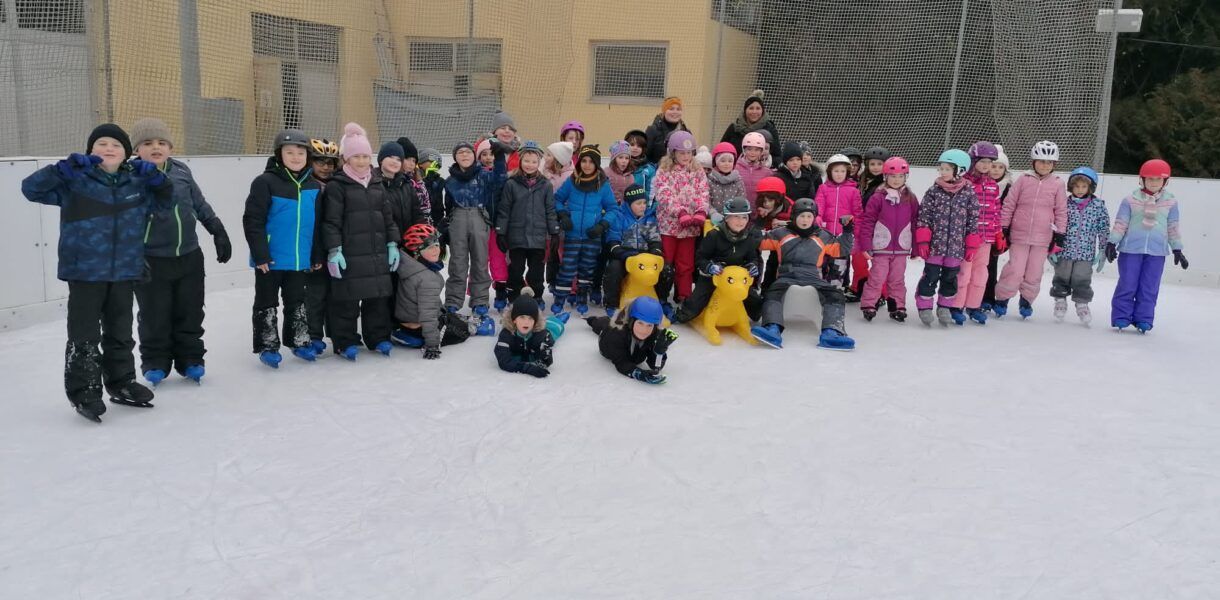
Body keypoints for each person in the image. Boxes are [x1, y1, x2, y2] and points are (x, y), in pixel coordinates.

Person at [21, 123, 172, 421]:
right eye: (101, 144)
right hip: (85, 270)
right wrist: (61, 169)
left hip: (125, 270)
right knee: (84, 335)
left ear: (126, 153)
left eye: (115, 145)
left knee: (120, 332)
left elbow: (166, 204)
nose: (108, 149)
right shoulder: (75, 180)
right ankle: (85, 392)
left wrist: (156, 178)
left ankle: (122, 382)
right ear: (90, 151)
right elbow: (30, 189)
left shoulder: (136, 182)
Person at [129, 117, 231, 387]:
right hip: (151, 260)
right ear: (136, 150)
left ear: (170, 148)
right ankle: (155, 361)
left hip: (189, 256)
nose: (156, 147)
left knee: (190, 310)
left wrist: (217, 230)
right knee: (154, 313)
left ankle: (190, 359)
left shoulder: (181, 171)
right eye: (148, 143)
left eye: (162, 142)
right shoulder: (130, 178)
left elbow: (199, 204)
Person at [241, 129, 324, 369]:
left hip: (299, 258)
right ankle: (268, 345)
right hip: (271, 258)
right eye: (290, 152)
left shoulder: (312, 185)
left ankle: (299, 341)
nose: (296, 157)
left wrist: (316, 254)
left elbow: (316, 224)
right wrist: (260, 254)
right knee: (267, 302)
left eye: (300, 152)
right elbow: (252, 220)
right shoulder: (265, 182)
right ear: (280, 155)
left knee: (297, 301)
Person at [321, 123, 399, 360]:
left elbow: (388, 218)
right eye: (356, 156)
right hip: (350, 253)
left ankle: (378, 337)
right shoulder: (337, 186)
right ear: (346, 158)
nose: (362, 161)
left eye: (365, 156)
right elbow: (331, 221)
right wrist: (334, 250)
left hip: (376, 252)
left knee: (377, 298)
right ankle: (345, 341)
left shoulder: (376, 184)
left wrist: (392, 244)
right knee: (347, 299)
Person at [750, 198, 855, 351]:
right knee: (773, 292)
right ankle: (772, 328)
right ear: (794, 216)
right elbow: (757, 242)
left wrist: (847, 230)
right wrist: (760, 222)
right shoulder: (780, 233)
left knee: (835, 295)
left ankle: (831, 332)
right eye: (801, 216)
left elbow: (842, 249)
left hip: (813, 276)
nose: (805, 220)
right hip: (787, 275)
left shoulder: (822, 236)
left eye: (809, 216)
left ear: (814, 218)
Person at [1106, 159, 1187, 333]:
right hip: (1130, 250)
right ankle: (1121, 316)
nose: (1153, 183)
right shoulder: (1130, 200)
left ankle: (1143, 318)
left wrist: (1177, 249)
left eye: (1158, 179)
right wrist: (1112, 242)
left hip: (1157, 252)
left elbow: (1173, 227)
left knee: (1149, 287)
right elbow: (1121, 223)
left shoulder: (1171, 202)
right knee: (1128, 284)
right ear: (1142, 179)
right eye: (1150, 179)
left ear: (1165, 181)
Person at [994, 141, 1067, 319]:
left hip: (1043, 238)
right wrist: (1004, 227)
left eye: (1049, 162)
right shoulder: (1023, 180)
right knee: (1015, 269)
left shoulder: (1057, 184)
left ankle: (1027, 300)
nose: (1044, 165)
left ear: (1054, 165)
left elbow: (1061, 210)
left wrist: (1060, 234)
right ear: (1033, 162)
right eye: (1041, 161)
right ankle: (1002, 298)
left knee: (1034, 271)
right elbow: (1009, 204)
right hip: (1019, 234)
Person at [443, 138, 508, 333]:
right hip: (458, 219)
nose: (465, 155)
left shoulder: (484, 175)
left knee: (480, 260)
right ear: (455, 157)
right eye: (460, 152)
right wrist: (446, 228)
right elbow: (447, 206)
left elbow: (501, 178)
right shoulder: (450, 181)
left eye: (468, 152)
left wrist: (499, 157)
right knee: (458, 262)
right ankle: (453, 300)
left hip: (479, 217)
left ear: (474, 156)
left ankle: (479, 300)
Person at [913, 149, 980, 327]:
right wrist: (923, 238)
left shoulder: (969, 193)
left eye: (947, 169)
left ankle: (944, 306)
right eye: (941, 168)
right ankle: (925, 306)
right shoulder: (934, 191)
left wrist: (972, 242)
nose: (942, 172)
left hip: (956, 247)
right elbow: (924, 216)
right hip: (935, 246)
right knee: (931, 275)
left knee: (950, 278)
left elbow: (973, 219)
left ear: (960, 170)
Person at [673, 198, 764, 324]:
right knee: (696, 301)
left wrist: (752, 266)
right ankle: (681, 315)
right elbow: (700, 257)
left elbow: (752, 257)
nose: (741, 221)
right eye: (736, 217)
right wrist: (710, 267)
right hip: (714, 276)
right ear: (726, 218)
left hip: (736, 279)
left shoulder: (748, 237)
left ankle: (761, 318)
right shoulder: (714, 235)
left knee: (753, 298)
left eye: (744, 217)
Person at [553, 144, 617, 313]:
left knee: (587, 268)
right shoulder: (572, 181)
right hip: (572, 234)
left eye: (591, 162)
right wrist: (564, 215)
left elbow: (612, 208)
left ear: (597, 164)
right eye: (584, 161)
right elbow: (557, 199)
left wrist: (601, 226)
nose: (587, 165)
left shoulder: (603, 185)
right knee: (567, 267)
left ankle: (582, 296)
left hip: (592, 236)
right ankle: (560, 298)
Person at [496, 141, 560, 305]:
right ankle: (514, 296)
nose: (530, 165)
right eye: (526, 161)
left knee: (536, 271)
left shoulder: (545, 185)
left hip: (538, 238)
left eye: (534, 162)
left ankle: (536, 296)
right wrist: (501, 232)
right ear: (520, 160)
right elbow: (504, 209)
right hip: (516, 236)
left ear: (539, 163)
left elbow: (550, 210)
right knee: (516, 269)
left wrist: (554, 232)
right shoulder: (511, 183)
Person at [855, 156, 918, 323]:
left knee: (897, 278)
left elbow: (915, 222)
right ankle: (869, 304)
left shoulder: (910, 198)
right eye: (892, 176)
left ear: (906, 177)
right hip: (881, 246)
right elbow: (868, 221)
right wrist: (866, 244)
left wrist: (916, 247)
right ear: (885, 177)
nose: (896, 180)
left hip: (901, 247)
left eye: (900, 176)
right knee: (877, 277)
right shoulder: (878, 197)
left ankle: (897, 306)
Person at [652, 131, 711, 310]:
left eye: (689, 152)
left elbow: (704, 191)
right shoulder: (664, 170)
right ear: (673, 153)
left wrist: (701, 210)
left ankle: (684, 295)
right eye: (681, 153)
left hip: (690, 227)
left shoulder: (698, 170)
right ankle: (660, 294)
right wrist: (680, 212)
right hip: (669, 226)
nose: (686, 156)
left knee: (686, 264)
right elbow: (664, 194)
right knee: (666, 261)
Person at [1049, 167, 1110, 324]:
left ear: (1091, 187)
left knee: (1082, 278)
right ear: (1071, 187)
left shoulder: (1098, 206)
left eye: (1084, 186)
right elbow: (1055, 225)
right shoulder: (1064, 204)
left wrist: (1103, 248)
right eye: (1076, 186)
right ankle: (1060, 301)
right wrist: (1052, 246)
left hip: (1086, 253)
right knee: (1062, 276)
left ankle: (1082, 304)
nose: (1080, 190)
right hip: (1065, 251)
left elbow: (1103, 228)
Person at [952, 141, 1004, 325]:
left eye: (990, 162)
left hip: (986, 238)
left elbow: (997, 211)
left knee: (981, 273)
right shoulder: (964, 184)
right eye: (982, 161)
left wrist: (998, 233)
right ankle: (956, 305)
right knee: (964, 272)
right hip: (967, 238)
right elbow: (957, 210)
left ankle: (974, 306)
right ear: (973, 161)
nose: (986, 165)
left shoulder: (993, 185)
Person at [602, 184, 666, 317]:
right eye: (638, 203)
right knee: (614, 269)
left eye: (644, 202)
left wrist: (656, 253)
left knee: (665, 269)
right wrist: (624, 254)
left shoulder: (649, 217)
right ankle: (611, 303)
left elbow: (655, 240)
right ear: (629, 204)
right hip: (624, 255)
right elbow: (612, 241)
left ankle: (662, 301)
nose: (643, 206)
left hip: (645, 256)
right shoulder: (619, 216)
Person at [587, 296, 678, 384]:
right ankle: (592, 320)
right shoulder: (616, 334)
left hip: (630, 346)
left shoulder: (653, 333)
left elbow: (655, 366)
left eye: (649, 325)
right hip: (606, 341)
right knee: (602, 323)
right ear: (631, 321)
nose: (644, 330)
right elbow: (622, 363)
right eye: (640, 323)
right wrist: (639, 374)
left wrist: (659, 353)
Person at [305, 138, 342, 354]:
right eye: (320, 161)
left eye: (330, 162)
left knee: (336, 295)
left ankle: (337, 334)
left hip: (336, 248)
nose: (326, 167)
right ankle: (313, 335)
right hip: (314, 250)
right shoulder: (306, 186)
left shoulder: (339, 185)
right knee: (315, 295)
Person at [392, 224, 446, 359]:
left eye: (437, 244)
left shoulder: (408, 265)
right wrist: (432, 344)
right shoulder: (427, 278)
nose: (436, 250)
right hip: (419, 329)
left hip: (404, 322)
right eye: (429, 247)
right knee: (460, 328)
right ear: (416, 252)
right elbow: (428, 315)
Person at [814, 153, 864, 295]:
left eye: (842, 171)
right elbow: (819, 206)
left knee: (840, 267)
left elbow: (858, 214)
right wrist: (818, 219)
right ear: (830, 172)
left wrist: (855, 234)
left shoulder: (853, 191)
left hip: (843, 237)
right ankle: (819, 291)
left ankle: (835, 292)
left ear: (848, 172)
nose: (839, 174)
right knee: (821, 264)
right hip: (825, 236)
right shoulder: (823, 189)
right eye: (836, 171)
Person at [494, 292, 558, 378]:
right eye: (522, 317)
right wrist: (526, 368)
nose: (526, 322)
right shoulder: (506, 335)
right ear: (514, 320)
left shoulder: (541, 334)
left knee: (556, 328)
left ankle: (559, 320)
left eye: (530, 318)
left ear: (535, 322)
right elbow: (504, 361)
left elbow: (546, 358)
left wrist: (545, 355)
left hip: (546, 329)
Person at [982, 144, 1013, 312]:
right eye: (993, 166)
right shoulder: (980, 184)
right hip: (980, 232)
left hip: (996, 234)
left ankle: (988, 298)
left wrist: (1006, 234)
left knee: (990, 266)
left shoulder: (1009, 188)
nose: (996, 170)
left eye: (1000, 167)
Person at [720, 89, 782, 165]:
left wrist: (767, 163)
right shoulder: (734, 128)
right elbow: (722, 149)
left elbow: (777, 155)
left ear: (763, 110)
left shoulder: (769, 128)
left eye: (758, 108)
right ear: (745, 110)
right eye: (751, 108)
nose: (754, 112)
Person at [706, 142, 745, 225]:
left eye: (730, 161)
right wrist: (712, 213)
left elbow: (741, 200)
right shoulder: (709, 180)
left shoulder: (738, 181)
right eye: (723, 161)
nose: (727, 164)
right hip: (711, 221)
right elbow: (705, 200)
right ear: (715, 162)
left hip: (732, 221)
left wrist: (733, 216)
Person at [644, 96, 690, 164]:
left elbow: (692, 155)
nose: (675, 112)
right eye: (671, 109)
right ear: (664, 111)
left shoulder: (686, 132)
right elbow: (645, 155)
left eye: (678, 109)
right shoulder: (653, 130)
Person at [735, 132, 772, 204]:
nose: (752, 153)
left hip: (758, 210)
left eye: (757, 150)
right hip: (740, 209)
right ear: (744, 150)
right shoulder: (735, 168)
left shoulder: (767, 172)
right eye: (749, 149)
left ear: (761, 151)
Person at [624, 129, 657, 197]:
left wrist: (645, 206)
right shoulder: (620, 166)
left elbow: (650, 192)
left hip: (641, 205)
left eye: (639, 146)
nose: (635, 148)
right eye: (632, 145)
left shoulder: (649, 169)